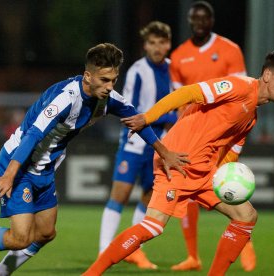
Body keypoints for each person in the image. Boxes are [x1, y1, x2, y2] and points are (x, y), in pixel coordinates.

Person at [0, 43, 189, 276]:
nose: (110, 86)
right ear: (87, 76)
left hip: (45, 169)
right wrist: (10, 174)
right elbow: (33, 134)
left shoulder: (108, 99)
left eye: (113, 80)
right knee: (21, 237)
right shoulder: (65, 97)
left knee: (46, 233)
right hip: (19, 162)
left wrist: (164, 152)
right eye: (104, 80)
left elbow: (138, 120)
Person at [83, 50, 274, 276]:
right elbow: (188, 93)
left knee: (246, 216)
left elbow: (230, 154)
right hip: (176, 161)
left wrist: (226, 182)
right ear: (267, 74)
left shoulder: (251, 117)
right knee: (153, 226)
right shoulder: (239, 87)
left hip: (204, 171)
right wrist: (147, 117)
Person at [168, 1, 253, 271]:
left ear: (212, 21)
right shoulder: (179, 55)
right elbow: (180, 99)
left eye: (204, 19)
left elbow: (244, 93)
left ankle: (245, 240)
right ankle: (193, 256)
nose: (199, 24)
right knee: (190, 192)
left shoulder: (230, 50)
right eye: (195, 19)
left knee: (229, 185)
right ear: (190, 21)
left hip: (225, 133)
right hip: (194, 134)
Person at [98, 21, 176, 270]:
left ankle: (134, 250)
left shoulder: (174, 70)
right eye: (152, 42)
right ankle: (103, 252)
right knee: (118, 197)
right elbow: (131, 111)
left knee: (148, 198)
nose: (157, 47)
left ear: (168, 44)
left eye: (162, 42)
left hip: (159, 145)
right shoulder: (137, 71)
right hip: (134, 144)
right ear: (145, 45)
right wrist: (171, 117)